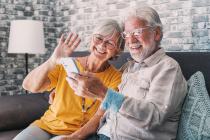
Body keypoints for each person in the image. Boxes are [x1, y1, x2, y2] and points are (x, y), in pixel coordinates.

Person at [66, 6, 188, 140]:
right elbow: (107, 98)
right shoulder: (129, 66)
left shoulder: (167, 68)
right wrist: (62, 91)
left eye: (137, 32)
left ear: (156, 33)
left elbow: (155, 116)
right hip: (104, 133)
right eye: (127, 34)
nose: (130, 41)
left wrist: (104, 93)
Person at [13, 19, 124, 140]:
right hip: (45, 126)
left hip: (74, 134)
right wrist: (52, 61)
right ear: (92, 38)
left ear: (117, 50)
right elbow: (28, 86)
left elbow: (99, 117)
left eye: (110, 43)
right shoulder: (68, 64)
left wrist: (73, 137)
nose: (102, 45)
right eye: (99, 38)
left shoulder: (116, 78)